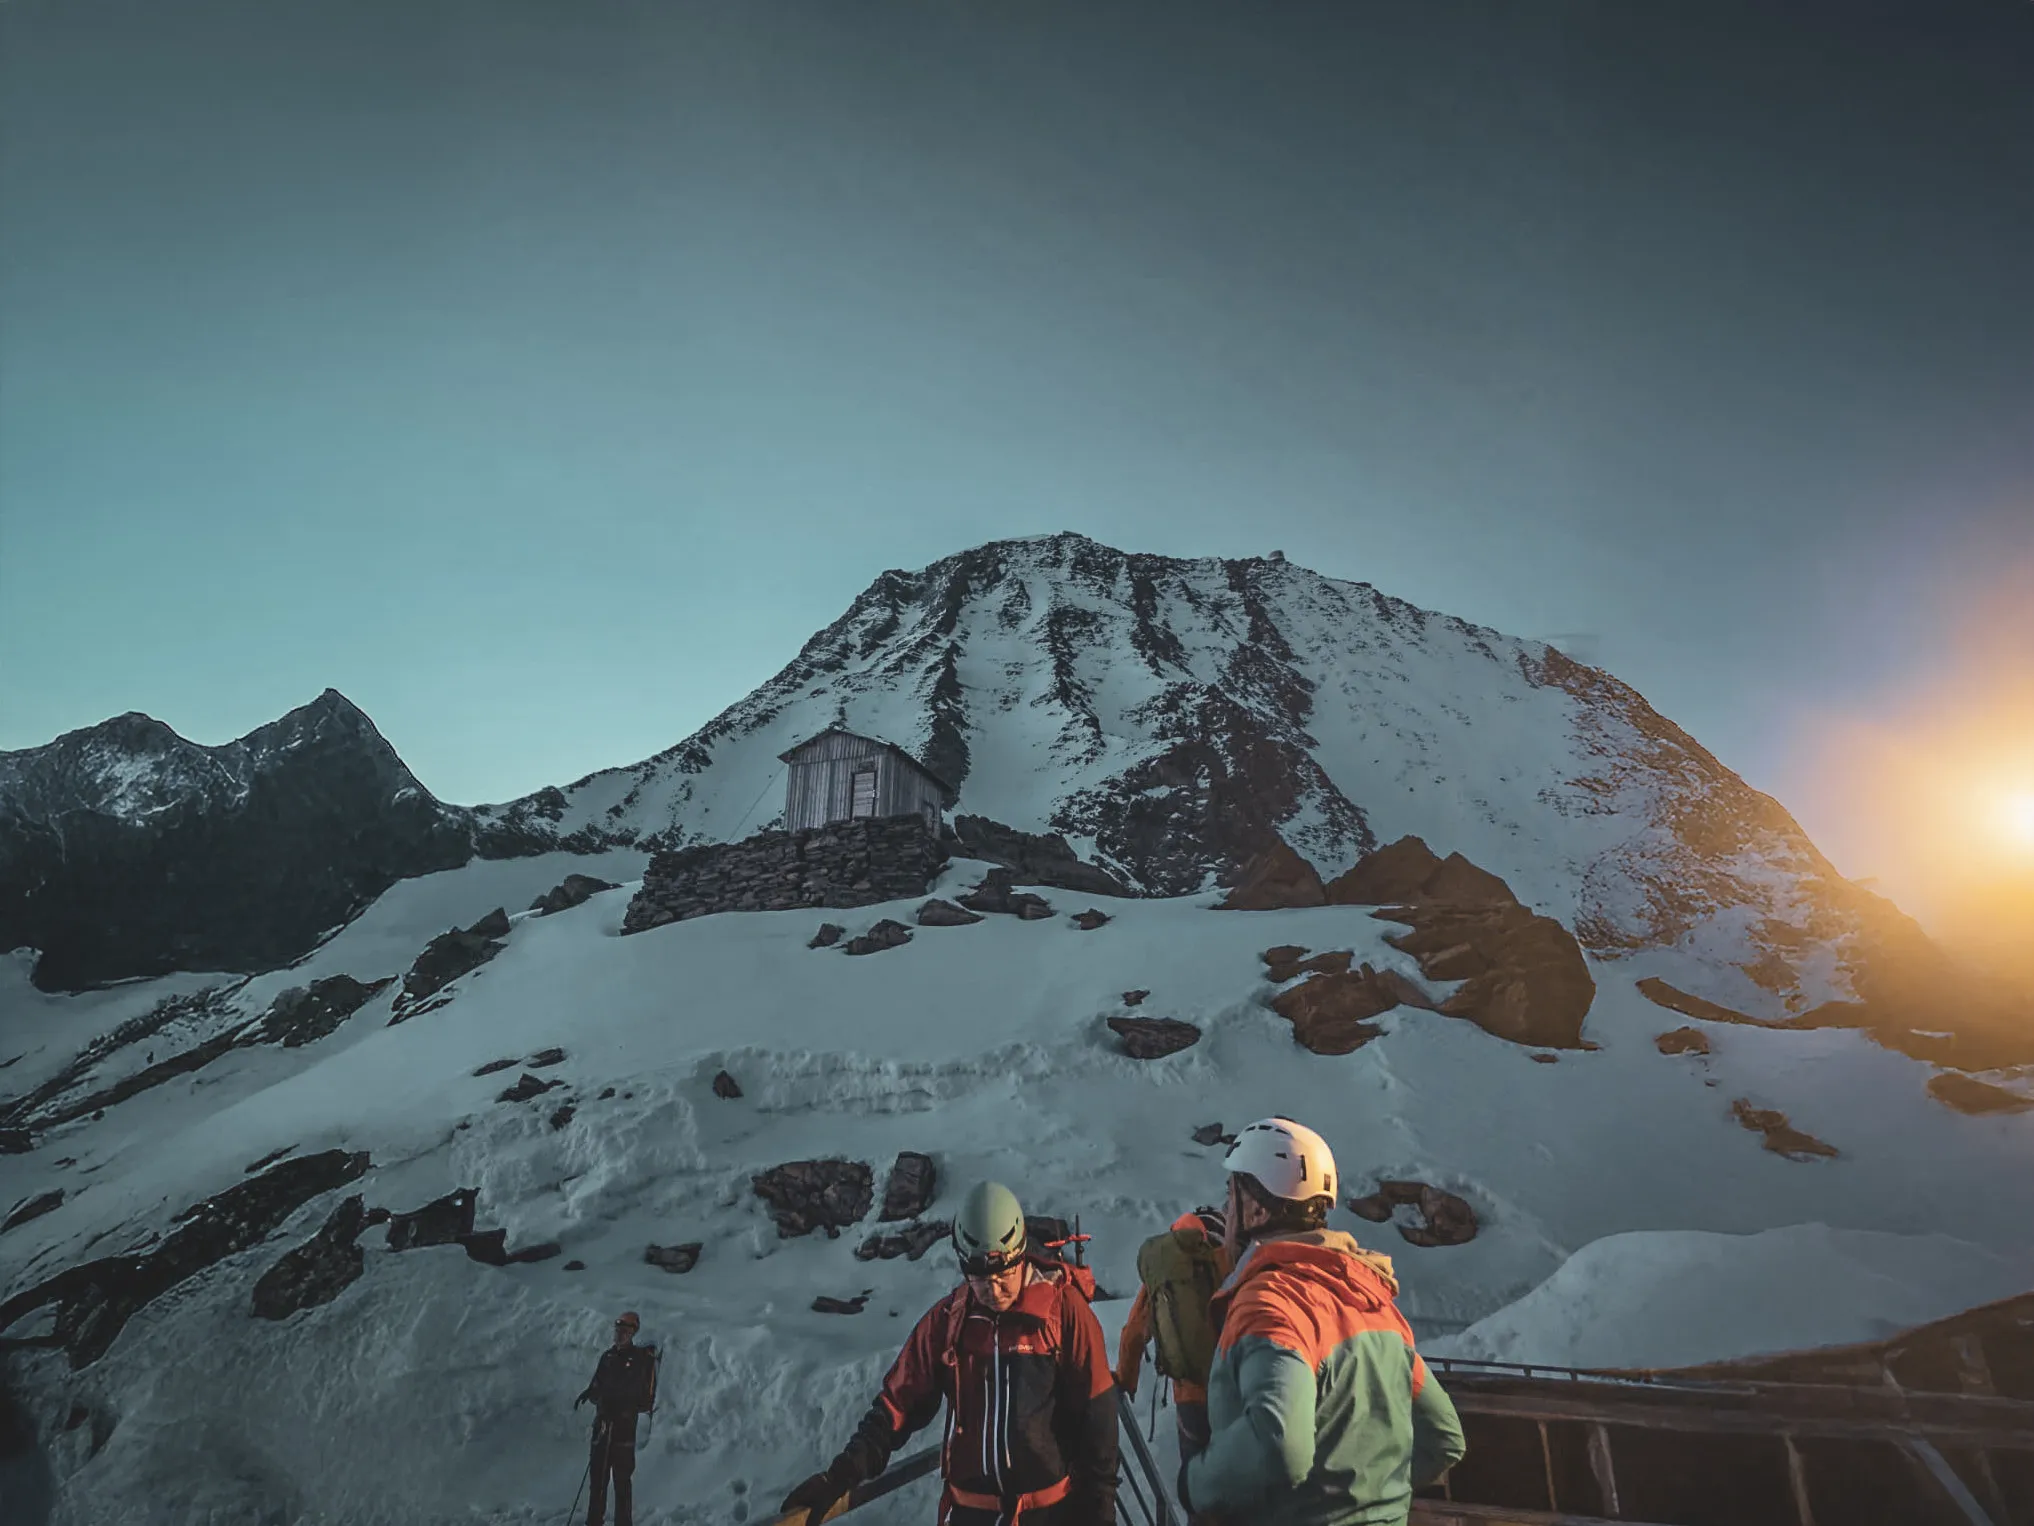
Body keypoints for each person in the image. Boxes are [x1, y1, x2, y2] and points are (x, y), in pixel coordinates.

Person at [1176, 1118, 1467, 1526]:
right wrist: (1373, 1498)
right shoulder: (1373, 1301)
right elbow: (1444, 1439)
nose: (1227, 1211)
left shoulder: (1270, 1303)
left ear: (1257, 1208)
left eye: (1231, 1196)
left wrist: (1196, 1484)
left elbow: (1278, 1444)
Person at [780, 1181, 1119, 1525]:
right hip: (973, 1513)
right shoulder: (949, 1322)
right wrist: (839, 1477)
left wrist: (1099, 1506)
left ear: (1020, 1255)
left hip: (1049, 1512)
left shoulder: (1062, 1313)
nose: (993, 1288)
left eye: (1003, 1274)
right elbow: (897, 1405)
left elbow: (1098, 1415)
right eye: (980, 1278)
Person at [1113, 1206, 1230, 1488]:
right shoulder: (1228, 1260)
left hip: (1190, 1395)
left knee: (1198, 1485)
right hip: (1232, 1390)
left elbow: (1134, 1333)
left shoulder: (1170, 1269)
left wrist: (1125, 1381)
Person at [574, 1309, 659, 1526]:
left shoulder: (639, 1359)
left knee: (622, 1482)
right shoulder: (607, 1357)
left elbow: (634, 1394)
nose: (619, 1334)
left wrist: (615, 1405)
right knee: (597, 1480)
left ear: (633, 1333)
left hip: (623, 1428)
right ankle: (594, 1522)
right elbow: (598, 1385)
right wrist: (590, 1394)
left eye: (625, 1330)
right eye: (618, 1329)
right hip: (602, 1428)